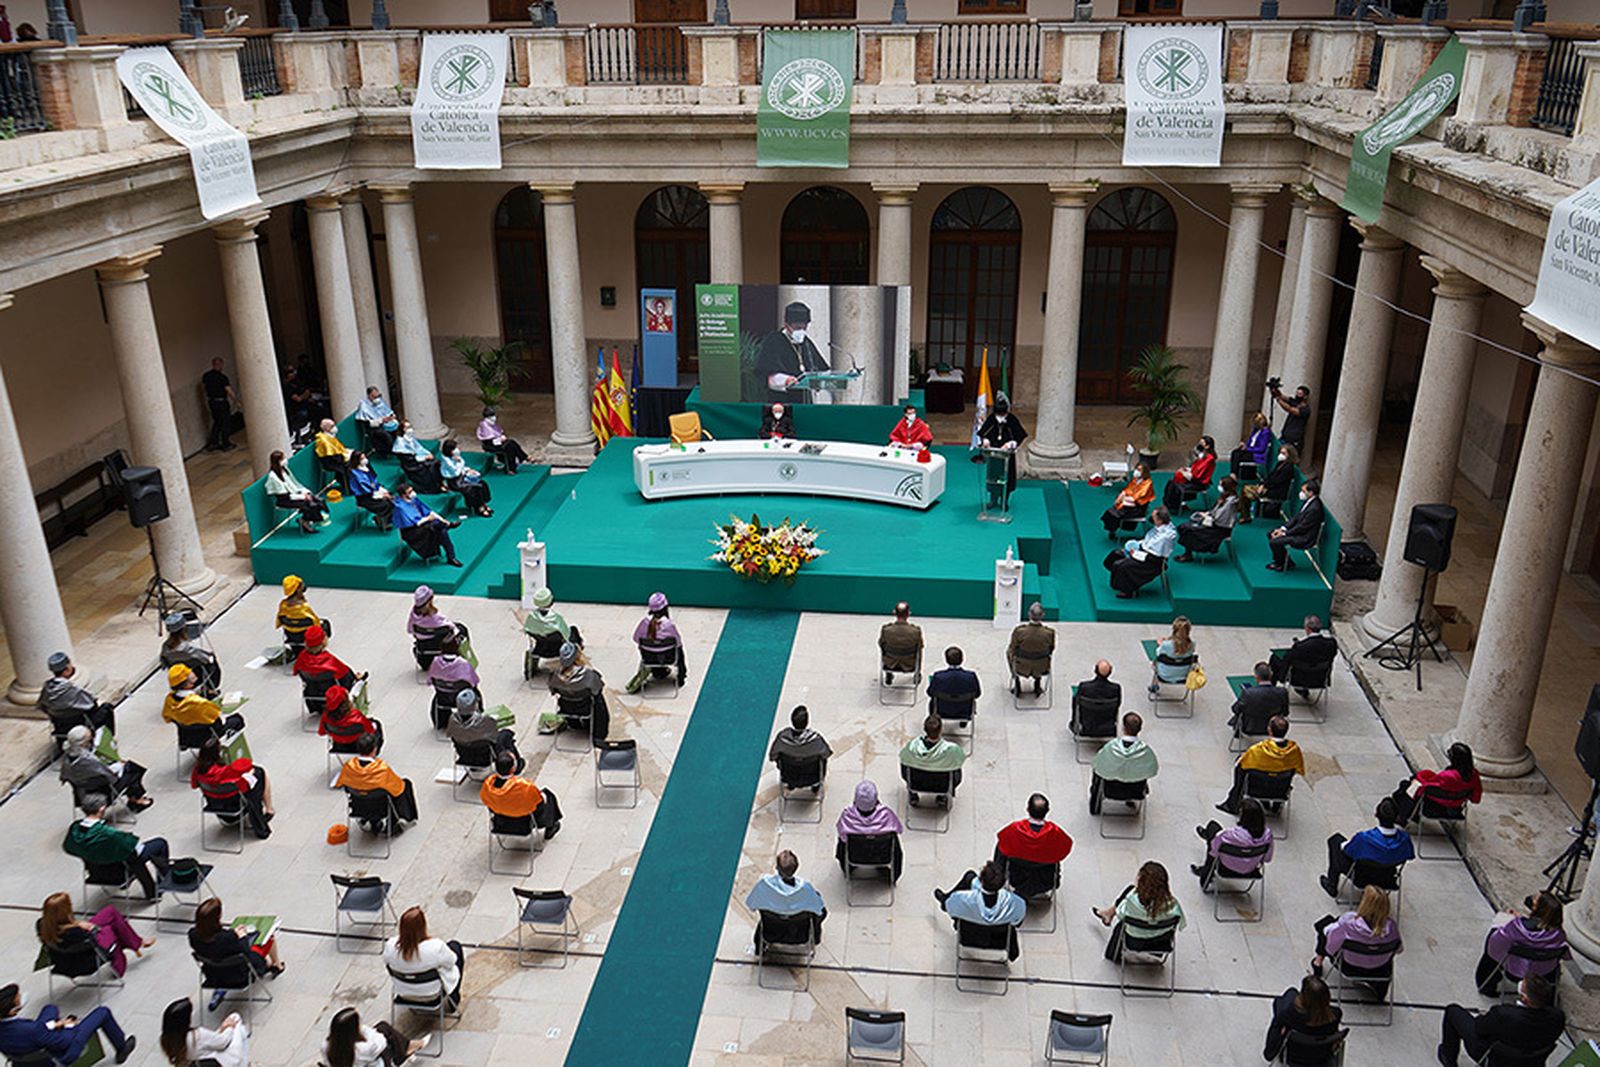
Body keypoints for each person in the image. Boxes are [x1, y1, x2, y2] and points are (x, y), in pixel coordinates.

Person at [1438, 975, 1565, 1067]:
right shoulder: (1558, 1017)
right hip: (1532, 1061)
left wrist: (1487, 1017)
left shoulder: (1503, 1014)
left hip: (1495, 1059)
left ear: (1525, 999)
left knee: (1452, 1011)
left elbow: (1479, 1028)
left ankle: (1448, 1058)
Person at [0, 982, 137, 1064]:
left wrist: (54, 1025)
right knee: (102, 1012)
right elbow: (64, 1042)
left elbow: (38, 1033)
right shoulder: (33, 1030)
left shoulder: (17, 1029)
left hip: (24, 1061)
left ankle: (54, 1023)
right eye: (19, 999)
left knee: (50, 1009)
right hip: (59, 1057)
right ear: (12, 1012)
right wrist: (70, 1026)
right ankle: (122, 1048)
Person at [62, 795, 169, 898]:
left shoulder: (75, 829)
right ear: (102, 809)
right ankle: (158, 887)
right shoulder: (107, 833)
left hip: (96, 873)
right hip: (119, 873)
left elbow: (67, 848)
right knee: (156, 845)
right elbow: (134, 849)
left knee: (130, 856)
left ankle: (151, 890)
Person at [37, 890, 153, 979]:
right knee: (111, 929)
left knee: (110, 912)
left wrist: (79, 924)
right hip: (86, 959)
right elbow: (91, 940)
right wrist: (92, 928)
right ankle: (130, 948)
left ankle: (136, 942)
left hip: (63, 960)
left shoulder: (43, 926)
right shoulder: (75, 933)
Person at [1310, 885, 1401, 996]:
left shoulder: (1349, 923)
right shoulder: (1392, 928)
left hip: (1349, 966)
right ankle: (1380, 991)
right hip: (1379, 969)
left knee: (1325, 926)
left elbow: (1330, 948)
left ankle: (1318, 962)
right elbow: (1399, 950)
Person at [1475, 891, 1569, 996]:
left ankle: (1486, 985)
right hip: (1542, 974)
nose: (1531, 899)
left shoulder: (1517, 927)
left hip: (1514, 973)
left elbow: (1495, 945)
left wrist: (1510, 922)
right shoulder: (1559, 935)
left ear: (1537, 908)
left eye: (1534, 900)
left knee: (1492, 940)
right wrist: (1520, 919)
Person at [1319, 797, 1414, 898]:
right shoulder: (1405, 839)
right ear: (1396, 818)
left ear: (1376, 814)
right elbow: (1409, 856)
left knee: (1335, 841)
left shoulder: (1364, 838)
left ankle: (1331, 885)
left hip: (1361, 878)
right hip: (1387, 878)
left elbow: (1347, 851)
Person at [1092, 860, 1185, 962]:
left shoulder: (1132, 900)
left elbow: (1120, 914)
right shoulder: (1172, 904)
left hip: (1134, 942)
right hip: (1160, 944)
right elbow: (1181, 922)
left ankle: (1108, 915)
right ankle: (1108, 913)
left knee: (1123, 922)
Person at [933, 861, 1024, 959]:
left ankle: (944, 899)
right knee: (969, 877)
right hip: (999, 942)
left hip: (968, 938)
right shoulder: (1015, 903)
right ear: (1003, 883)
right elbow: (1017, 923)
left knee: (969, 877)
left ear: (981, 880)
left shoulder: (962, 899)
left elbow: (951, 911)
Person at [191, 735, 274, 839]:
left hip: (215, 806)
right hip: (236, 805)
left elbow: (194, 785)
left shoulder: (197, 771)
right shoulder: (225, 772)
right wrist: (251, 773)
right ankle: (269, 809)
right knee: (259, 773)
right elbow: (243, 786)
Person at [1217, 715, 1304, 814]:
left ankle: (1234, 803)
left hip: (1256, 789)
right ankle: (1276, 804)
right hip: (1280, 791)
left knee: (1240, 768)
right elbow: (1297, 769)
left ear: (1269, 730)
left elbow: (1241, 765)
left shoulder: (1257, 750)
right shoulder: (1294, 751)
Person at [189, 898, 284, 987]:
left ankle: (270, 964)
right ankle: (277, 965)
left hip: (214, 974)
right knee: (269, 938)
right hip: (239, 975)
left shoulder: (193, 935)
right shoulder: (227, 938)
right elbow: (245, 950)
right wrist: (242, 936)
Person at [993, 793, 1073, 898]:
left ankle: (996, 878)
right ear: (1048, 810)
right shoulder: (1056, 833)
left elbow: (1002, 847)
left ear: (1027, 809)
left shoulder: (1014, 830)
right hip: (1045, 881)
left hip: (1017, 879)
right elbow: (1064, 850)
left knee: (1002, 845)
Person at [745, 850, 827, 951]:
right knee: (821, 913)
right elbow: (820, 910)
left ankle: (760, 948)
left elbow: (750, 904)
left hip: (771, 932)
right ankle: (815, 938)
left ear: (777, 867)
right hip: (800, 935)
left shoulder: (763, 885)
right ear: (797, 867)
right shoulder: (806, 889)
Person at [337, 733, 420, 831]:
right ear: (374, 749)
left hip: (359, 807)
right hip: (381, 809)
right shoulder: (381, 769)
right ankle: (401, 820)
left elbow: (342, 784)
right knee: (405, 784)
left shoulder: (348, 767)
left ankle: (368, 820)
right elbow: (398, 789)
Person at [384, 907, 464, 1009]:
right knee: (455, 946)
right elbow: (452, 961)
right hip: (432, 994)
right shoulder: (435, 947)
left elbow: (386, 962)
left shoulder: (390, 946)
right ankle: (454, 998)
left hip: (404, 993)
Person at [59, 725, 152, 811]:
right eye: (89, 739)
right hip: (103, 791)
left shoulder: (67, 758)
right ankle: (136, 800)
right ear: (83, 743)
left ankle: (135, 798)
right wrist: (119, 766)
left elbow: (64, 776)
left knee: (121, 766)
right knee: (132, 769)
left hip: (81, 792)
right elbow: (111, 777)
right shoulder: (86, 761)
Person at [1389, 740, 1482, 825]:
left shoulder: (1448, 776)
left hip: (1437, 807)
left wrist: (1417, 780)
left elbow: (1426, 788)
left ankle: (1403, 816)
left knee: (1406, 786)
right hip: (1456, 808)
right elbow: (1475, 798)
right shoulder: (1474, 775)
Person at [756, 301, 829, 404]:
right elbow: (768, 375)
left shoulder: (806, 343)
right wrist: (786, 380)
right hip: (779, 402)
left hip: (804, 400)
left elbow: (818, 369)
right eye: (797, 327)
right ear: (786, 325)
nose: (801, 331)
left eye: (804, 327)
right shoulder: (774, 340)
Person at [1192, 797, 1274, 886]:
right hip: (1250, 870)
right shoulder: (1268, 836)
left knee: (1213, 827)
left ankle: (1206, 874)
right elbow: (1267, 859)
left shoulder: (1230, 835)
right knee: (1216, 838)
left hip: (1226, 868)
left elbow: (1214, 852)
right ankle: (1207, 834)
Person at [1090, 711, 1159, 815]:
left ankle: (1095, 805)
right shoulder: (1146, 751)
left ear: (1123, 727)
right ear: (1140, 729)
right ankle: (1129, 799)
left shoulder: (1111, 747)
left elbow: (1097, 765)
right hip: (1135, 791)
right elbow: (1152, 771)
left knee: (1097, 771)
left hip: (1110, 789)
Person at [480, 750, 561, 838]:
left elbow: (487, 802)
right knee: (548, 795)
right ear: (513, 768)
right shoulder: (524, 786)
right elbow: (538, 801)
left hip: (501, 822)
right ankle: (551, 827)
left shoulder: (487, 785)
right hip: (523, 822)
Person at [835, 780, 904, 881]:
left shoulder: (847, 816)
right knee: (894, 841)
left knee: (842, 841)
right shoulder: (886, 815)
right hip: (882, 855)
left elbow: (841, 834)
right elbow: (899, 829)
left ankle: (848, 868)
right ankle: (893, 876)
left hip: (855, 855)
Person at [1262, 974, 1341, 1063]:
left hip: (1293, 1057)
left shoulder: (1290, 1015)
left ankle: (1269, 1052)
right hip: (1321, 1057)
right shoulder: (1336, 1014)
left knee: (1288, 995)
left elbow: (1278, 1005)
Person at [1104, 507, 1177, 599]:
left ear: (1160, 520)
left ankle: (1129, 591)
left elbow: (1154, 556)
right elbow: (1148, 541)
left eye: (1154, 517)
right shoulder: (1160, 527)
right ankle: (1121, 581)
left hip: (1152, 562)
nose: (1151, 518)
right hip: (1144, 552)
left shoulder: (1165, 537)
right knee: (1116, 554)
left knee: (1123, 566)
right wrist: (1136, 544)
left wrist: (1135, 554)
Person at [39, 651, 116, 738]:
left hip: (61, 727)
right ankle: (108, 739)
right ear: (67, 669)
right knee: (106, 708)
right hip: (80, 725)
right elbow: (91, 704)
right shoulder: (72, 689)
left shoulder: (47, 689)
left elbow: (42, 706)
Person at [322, 1006, 430, 1067]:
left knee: (382, 1026)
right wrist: (362, 1028)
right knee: (386, 1039)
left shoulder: (326, 1045)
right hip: (375, 1063)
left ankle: (408, 1046)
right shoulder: (363, 1048)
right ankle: (407, 1050)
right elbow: (381, 1041)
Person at [159, 997, 249, 1067]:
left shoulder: (166, 1040)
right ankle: (244, 1063)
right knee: (236, 1019)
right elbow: (223, 1042)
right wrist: (229, 1027)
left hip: (201, 1061)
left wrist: (222, 1028)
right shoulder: (196, 1035)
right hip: (219, 1062)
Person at [549, 643, 610, 745]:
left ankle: (574, 723)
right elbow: (598, 688)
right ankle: (599, 734)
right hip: (585, 707)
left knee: (567, 698)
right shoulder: (588, 675)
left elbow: (552, 690)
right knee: (598, 698)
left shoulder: (554, 676)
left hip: (567, 707)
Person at [626, 591, 686, 692]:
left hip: (649, 658)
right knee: (679, 650)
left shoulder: (644, 623)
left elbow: (635, 638)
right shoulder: (669, 625)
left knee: (651, 649)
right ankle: (681, 678)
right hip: (669, 657)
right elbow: (678, 642)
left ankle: (658, 672)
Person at [393, 482, 463, 566]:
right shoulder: (400, 507)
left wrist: (443, 520)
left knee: (442, 531)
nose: (412, 493)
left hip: (425, 524)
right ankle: (448, 527)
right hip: (411, 531)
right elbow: (415, 523)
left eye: (412, 490)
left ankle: (451, 558)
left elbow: (429, 512)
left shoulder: (413, 500)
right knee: (436, 525)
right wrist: (428, 519)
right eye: (409, 492)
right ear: (403, 495)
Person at [899, 715, 966, 802]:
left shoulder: (912, 747)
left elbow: (904, 764)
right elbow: (959, 764)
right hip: (942, 785)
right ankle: (942, 796)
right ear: (941, 729)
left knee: (906, 765)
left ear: (924, 729)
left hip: (916, 783)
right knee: (956, 768)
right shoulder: (952, 750)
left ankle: (913, 794)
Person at [162, 663, 244, 736]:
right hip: (207, 736)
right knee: (238, 719)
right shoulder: (198, 703)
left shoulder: (169, 700)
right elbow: (216, 717)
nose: (192, 673)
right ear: (187, 683)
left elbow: (167, 718)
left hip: (186, 737)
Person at [448, 689, 521, 768]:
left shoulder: (452, 720)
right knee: (506, 734)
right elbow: (495, 738)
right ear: (475, 705)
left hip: (464, 756)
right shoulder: (484, 721)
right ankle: (514, 765)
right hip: (483, 757)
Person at [977, 394, 1027, 506]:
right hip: (994, 454)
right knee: (993, 476)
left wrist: (1011, 443)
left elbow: (1020, 435)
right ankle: (993, 500)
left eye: (1002, 414)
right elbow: (984, 432)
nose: (1000, 417)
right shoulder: (991, 418)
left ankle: (1005, 501)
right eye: (998, 414)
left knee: (1007, 477)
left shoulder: (1012, 420)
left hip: (1007, 455)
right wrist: (985, 440)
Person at [1174, 475, 1238, 562]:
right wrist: (1207, 513)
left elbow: (1218, 519)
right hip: (1213, 523)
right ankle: (1187, 553)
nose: (1218, 487)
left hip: (1219, 529)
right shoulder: (1225, 497)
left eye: (1220, 485)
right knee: (1184, 526)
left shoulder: (1230, 503)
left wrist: (1207, 517)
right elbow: (1214, 511)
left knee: (1187, 529)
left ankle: (1188, 555)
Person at [1270, 615, 1339, 695]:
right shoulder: (1331, 644)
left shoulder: (1300, 647)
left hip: (1298, 679)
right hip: (1320, 679)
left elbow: (1287, 659)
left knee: (1274, 658)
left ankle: (1270, 690)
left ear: (1307, 628)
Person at [1267, 477, 1325, 571]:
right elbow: (1296, 518)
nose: (1301, 493)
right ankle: (1284, 561)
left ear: (1311, 493)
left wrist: (1285, 533)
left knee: (1274, 541)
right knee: (1271, 533)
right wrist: (1283, 529)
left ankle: (1281, 564)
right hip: (1298, 531)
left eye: (1303, 491)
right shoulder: (1309, 502)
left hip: (1305, 537)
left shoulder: (1314, 509)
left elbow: (1303, 527)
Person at [263, 449, 326, 533]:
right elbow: (285, 495)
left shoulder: (284, 470)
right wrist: (303, 497)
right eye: (282, 459)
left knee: (315, 499)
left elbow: (294, 485)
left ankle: (306, 520)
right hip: (285, 500)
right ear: (277, 461)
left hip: (294, 495)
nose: (285, 460)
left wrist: (305, 493)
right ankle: (304, 521)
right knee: (308, 504)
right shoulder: (273, 477)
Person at [160, 613, 221, 696]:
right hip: (191, 674)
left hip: (176, 675)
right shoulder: (187, 648)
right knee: (212, 662)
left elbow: (163, 662)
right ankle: (209, 688)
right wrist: (211, 656)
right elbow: (205, 657)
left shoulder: (165, 646)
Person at [293, 625, 362, 695]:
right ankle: (356, 678)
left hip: (312, 697)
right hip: (334, 696)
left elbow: (299, 673)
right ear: (323, 642)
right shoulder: (330, 661)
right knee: (345, 671)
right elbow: (345, 676)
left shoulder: (301, 658)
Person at [1228, 661, 1287, 738]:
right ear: (1271, 675)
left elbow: (1235, 709)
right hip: (1274, 727)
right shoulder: (1282, 692)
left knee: (1240, 712)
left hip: (1250, 728)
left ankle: (1237, 731)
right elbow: (1285, 712)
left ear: (1256, 677)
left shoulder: (1248, 693)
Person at [1006, 602, 1055, 696]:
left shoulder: (1019, 631)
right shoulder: (1049, 633)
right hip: (1042, 667)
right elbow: (1051, 649)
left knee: (1008, 652)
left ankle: (1017, 682)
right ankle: (1037, 683)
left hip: (1021, 667)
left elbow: (1012, 649)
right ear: (1043, 615)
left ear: (1029, 614)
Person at [320, 684, 384, 754]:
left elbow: (322, 732)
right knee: (376, 723)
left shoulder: (326, 718)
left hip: (339, 746)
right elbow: (370, 730)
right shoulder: (357, 717)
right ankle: (373, 753)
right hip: (357, 746)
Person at [768, 705, 832, 775]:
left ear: (792, 721)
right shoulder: (816, 739)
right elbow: (826, 754)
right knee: (822, 758)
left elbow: (772, 756)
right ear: (807, 722)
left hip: (789, 776)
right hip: (812, 777)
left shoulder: (782, 738)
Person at [1246, 442, 1299, 522]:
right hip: (1270, 487)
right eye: (1280, 452)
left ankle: (1246, 514)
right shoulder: (1280, 464)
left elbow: (1278, 481)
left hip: (1278, 491)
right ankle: (1246, 512)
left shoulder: (1288, 468)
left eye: (1284, 453)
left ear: (1289, 455)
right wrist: (1263, 484)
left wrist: (1266, 488)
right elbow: (1271, 476)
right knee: (1246, 488)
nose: (1281, 455)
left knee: (1247, 491)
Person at [522, 586, 582, 657]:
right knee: (573, 629)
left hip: (540, 649)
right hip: (557, 651)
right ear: (550, 601)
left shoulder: (531, 617)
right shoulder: (556, 618)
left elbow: (527, 630)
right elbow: (566, 635)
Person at [440, 438, 492, 517]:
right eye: (454, 448)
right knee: (472, 488)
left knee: (481, 483)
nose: (457, 449)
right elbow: (456, 472)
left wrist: (468, 470)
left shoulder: (455, 456)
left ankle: (483, 504)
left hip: (462, 477)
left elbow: (462, 467)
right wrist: (459, 463)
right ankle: (479, 507)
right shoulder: (447, 461)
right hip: (455, 482)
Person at [1162, 435, 1216, 510]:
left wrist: (1184, 473)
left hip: (1199, 483)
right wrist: (1186, 470)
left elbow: (1197, 475)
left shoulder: (1209, 459)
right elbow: (1195, 467)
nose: (1199, 445)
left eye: (1202, 443)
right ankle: (1171, 504)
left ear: (1207, 446)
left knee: (1173, 485)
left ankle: (1173, 505)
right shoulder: (1203, 455)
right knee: (1170, 482)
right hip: (1195, 478)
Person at [1101, 462, 1155, 535]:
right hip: (1128, 504)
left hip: (1137, 508)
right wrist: (1122, 494)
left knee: (1115, 515)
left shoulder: (1148, 483)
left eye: (1139, 470)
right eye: (1136, 469)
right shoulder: (1136, 479)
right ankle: (1112, 530)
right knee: (1110, 511)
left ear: (1144, 472)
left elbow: (1137, 498)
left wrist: (1123, 500)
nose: (1137, 471)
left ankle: (1113, 529)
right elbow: (1128, 490)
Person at [346, 451, 395, 530]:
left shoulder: (366, 467)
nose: (365, 459)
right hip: (365, 497)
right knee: (385, 504)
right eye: (362, 458)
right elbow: (365, 488)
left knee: (393, 499)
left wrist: (382, 491)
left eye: (365, 457)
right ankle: (381, 521)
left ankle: (385, 520)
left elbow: (374, 482)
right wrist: (381, 495)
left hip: (374, 492)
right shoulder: (354, 473)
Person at [276, 574, 327, 647]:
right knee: (325, 624)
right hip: (305, 637)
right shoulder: (304, 608)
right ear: (298, 589)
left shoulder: (282, 605)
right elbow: (316, 623)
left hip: (290, 636)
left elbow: (278, 622)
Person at [392, 420, 443, 493]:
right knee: (431, 466)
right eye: (407, 427)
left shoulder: (410, 438)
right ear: (402, 429)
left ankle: (440, 484)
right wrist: (424, 458)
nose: (410, 429)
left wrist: (427, 454)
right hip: (412, 464)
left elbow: (419, 448)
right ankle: (432, 488)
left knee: (436, 462)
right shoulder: (400, 443)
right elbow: (409, 458)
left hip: (418, 458)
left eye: (410, 427)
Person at [1149, 616, 1196, 694]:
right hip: (1184, 677)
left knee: (1156, 663)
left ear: (1174, 629)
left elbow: (1158, 653)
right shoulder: (1192, 645)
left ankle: (1154, 686)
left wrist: (1161, 644)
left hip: (1164, 676)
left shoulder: (1166, 645)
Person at [878, 601, 922, 684]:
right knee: (919, 649)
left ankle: (888, 673)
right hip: (910, 665)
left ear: (894, 613)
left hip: (890, 664)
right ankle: (917, 673)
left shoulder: (886, 630)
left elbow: (881, 644)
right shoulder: (915, 631)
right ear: (908, 614)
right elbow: (920, 647)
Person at [476, 406, 529, 473]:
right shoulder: (484, 425)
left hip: (497, 442)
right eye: (491, 416)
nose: (494, 417)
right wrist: (500, 439)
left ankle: (518, 461)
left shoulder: (492, 423)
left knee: (511, 443)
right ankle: (516, 463)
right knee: (509, 446)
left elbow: (498, 432)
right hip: (490, 444)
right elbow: (489, 438)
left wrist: (501, 437)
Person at [200, 357, 237, 452]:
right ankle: (226, 444)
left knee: (217, 422)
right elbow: (228, 390)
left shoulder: (206, 376)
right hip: (222, 402)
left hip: (212, 402)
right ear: (220, 364)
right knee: (225, 423)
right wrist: (236, 401)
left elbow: (204, 389)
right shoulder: (222, 377)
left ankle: (214, 442)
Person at [357, 386, 399, 455]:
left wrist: (391, 417)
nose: (377, 398)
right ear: (369, 396)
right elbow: (367, 423)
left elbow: (389, 412)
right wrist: (381, 420)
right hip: (374, 428)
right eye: (374, 396)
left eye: (378, 396)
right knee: (385, 435)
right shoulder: (364, 406)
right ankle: (386, 451)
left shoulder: (380, 401)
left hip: (386, 423)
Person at [1272, 382, 1312, 453]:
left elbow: (1290, 409)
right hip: (1284, 437)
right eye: (1296, 393)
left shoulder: (1306, 409)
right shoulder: (1295, 402)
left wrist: (1278, 400)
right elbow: (1283, 396)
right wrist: (1275, 390)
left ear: (1305, 396)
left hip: (1294, 441)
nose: (1297, 395)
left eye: (1300, 394)